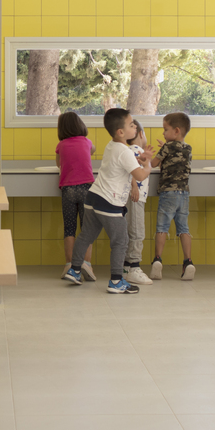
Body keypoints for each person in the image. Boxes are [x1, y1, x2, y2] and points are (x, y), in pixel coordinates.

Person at [66, 108, 153, 294]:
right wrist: (148, 165)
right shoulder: (125, 151)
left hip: (93, 197)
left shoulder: (111, 145)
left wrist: (140, 160)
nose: (135, 127)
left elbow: (124, 163)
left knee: (86, 235)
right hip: (110, 203)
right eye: (131, 125)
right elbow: (140, 175)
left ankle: (74, 270)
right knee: (121, 241)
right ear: (121, 132)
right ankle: (116, 281)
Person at [150, 112, 195, 281]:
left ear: (176, 131)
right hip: (184, 194)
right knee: (184, 228)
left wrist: (146, 158)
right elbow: (178, 160)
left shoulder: (167, 148)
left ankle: (157, 260)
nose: (163, 133)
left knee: (162, 227)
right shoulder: (188, 148)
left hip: (168, 193)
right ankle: (188, 262)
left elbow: (153, 163)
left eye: (165, 129)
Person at [54, 111, 98, 283]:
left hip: (68, 190)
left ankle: (69, 265)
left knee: (69, 228)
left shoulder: (61, 145)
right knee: (87, 229)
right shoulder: (87, 142)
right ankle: (86, 263)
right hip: (87, 188)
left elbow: (58, 164)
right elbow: (92, 151)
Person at [123, 121, 154, 285]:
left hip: (131, 197)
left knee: (130, 231)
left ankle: (127, 267)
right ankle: (134, 267)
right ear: (141, 134)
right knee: (137, 232)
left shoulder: (129, 150)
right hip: (135, 197)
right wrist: (134, 186)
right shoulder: (136, 150)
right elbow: (131, 170)